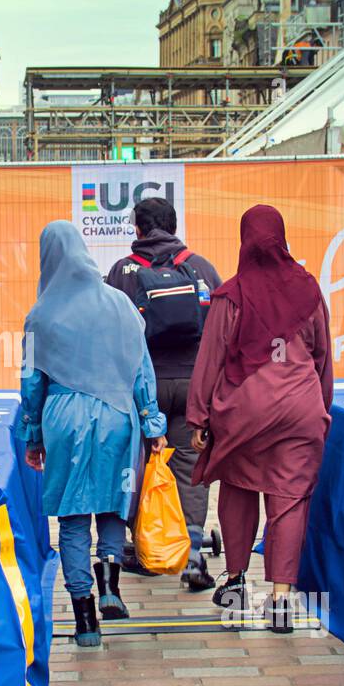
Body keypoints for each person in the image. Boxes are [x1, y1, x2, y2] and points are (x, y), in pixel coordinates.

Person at [19, 221, 168, 646]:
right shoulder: (121, 304)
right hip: (118, 415)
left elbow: (31, 382)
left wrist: (33, 436)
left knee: (72, 517)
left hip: (64, 417)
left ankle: (85, 621)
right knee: (112, 506)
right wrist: (152, 424)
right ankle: (109, 586)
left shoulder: (39, 316)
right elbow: (141, 369)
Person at [187, 205, 333, 634]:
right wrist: (321, 407)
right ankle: (282, 600)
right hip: (300, 410)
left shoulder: (231, 294)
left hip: (243, 414)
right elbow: (322, 356)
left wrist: (199, 417)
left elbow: (210, 359)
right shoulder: (309, 290)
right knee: (289, 501)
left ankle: (235, 583)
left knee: (238, 490)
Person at [105, 197, 222, 591]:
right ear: (173, 227)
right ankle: (193, 558)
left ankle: (149, 550)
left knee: (141, 467)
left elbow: (110, 334)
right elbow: (222, 328)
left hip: (142, 388)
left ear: (138, 229)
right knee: (190, 468)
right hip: (193, 385)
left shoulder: (122, 272)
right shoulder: (201, 267)